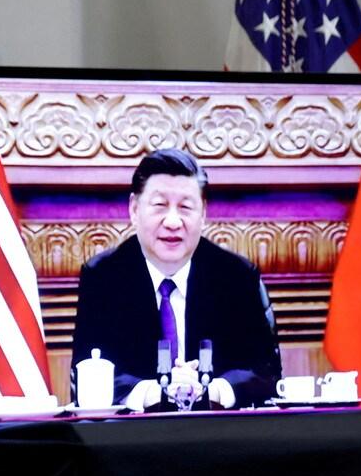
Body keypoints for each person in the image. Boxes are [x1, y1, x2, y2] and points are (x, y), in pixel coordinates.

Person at [70, 148, 281, 409]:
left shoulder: (235, 276)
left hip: (222, 437)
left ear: (203, 213)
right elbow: (86, 373)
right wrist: (154, 392)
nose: (172, 221)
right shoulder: (104, 277)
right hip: (130, 440)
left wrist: (211, 390)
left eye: (185, 207)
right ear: (134, 209)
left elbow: (267, 371)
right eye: (160, 205)